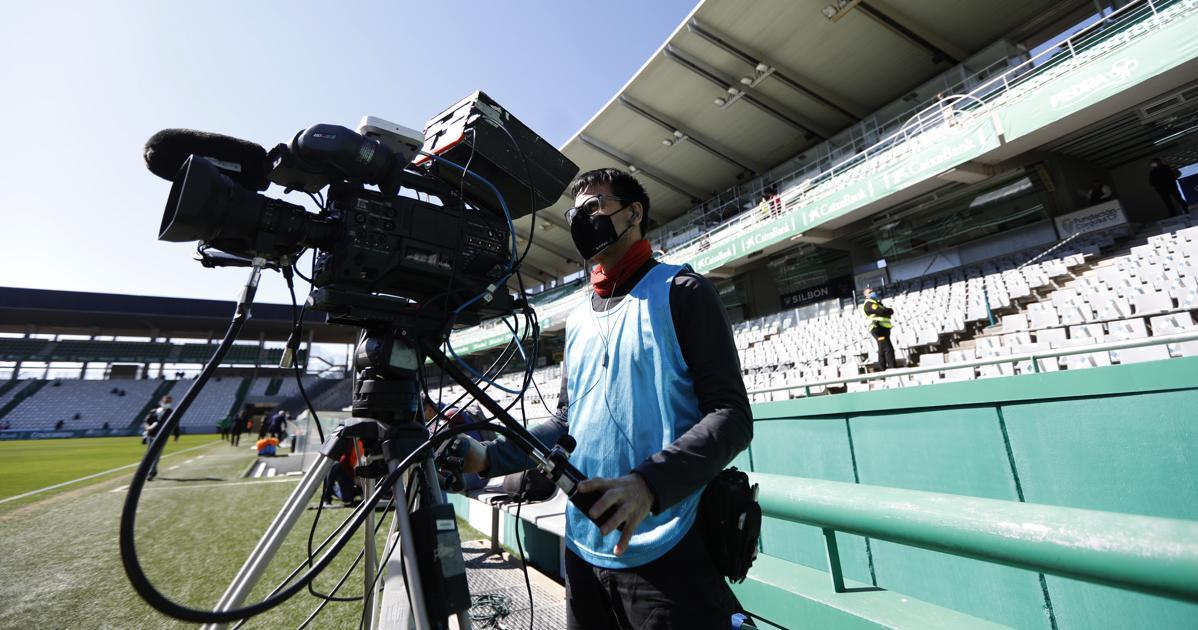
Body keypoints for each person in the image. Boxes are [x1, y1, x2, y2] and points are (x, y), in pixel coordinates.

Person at [452, 168, 753, 629]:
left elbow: (731, 416)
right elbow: (567, 421)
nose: (582, 220)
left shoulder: (684, 292)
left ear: (635, 213)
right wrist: (487, 458)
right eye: (576, 212)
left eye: (596, 207)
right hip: (582, 548)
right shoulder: (576, 318)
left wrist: (648, 484)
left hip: (669, 544)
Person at [862, 286, 896, 371]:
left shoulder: (876, 303)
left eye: (872, 291)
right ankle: (892, 369)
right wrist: (887, 312)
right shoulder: (869, 304)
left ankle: (883, 369)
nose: (872, 293)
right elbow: (882, 311)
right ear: (866, 296)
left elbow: (888, 310)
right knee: (888, 349)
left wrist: (887, 311)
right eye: (869, 292)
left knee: (882, 349)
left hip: (883, 328)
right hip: (878, 328)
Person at [141, 410, 163, 480]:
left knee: (156, 456)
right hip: (151, 437)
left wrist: (150, 427)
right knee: (152, 455)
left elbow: (156, 423)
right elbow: (146, 422)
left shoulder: (167, 412)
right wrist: (147, 428)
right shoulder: (153, 412)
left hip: (160, 437)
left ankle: (152, 471)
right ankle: (151, 472)